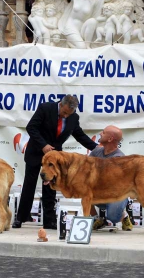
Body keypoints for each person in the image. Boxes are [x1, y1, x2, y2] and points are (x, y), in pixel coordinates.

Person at [13, 95, 98, 230]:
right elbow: (31, 127)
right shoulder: (45, 108)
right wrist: (43, 145)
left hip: (55, 159)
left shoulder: (73, 117)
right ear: (61, 104)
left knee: (51, 188)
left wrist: (97, 147)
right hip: (36, 153)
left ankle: (49, 221)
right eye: (64, 112)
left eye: (69, 114)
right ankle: (20, 218)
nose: (65, 116)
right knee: (29, 186)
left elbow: (80, 135)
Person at [89, 125, 133, 231]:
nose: (100, 133)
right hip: (100, 192)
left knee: (113, 218)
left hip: (116, 194)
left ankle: (124, 215)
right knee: (83, 190)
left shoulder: (119, 158)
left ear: (110, 139)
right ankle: (96, 219)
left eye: (103, 132)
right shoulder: (96, 151)